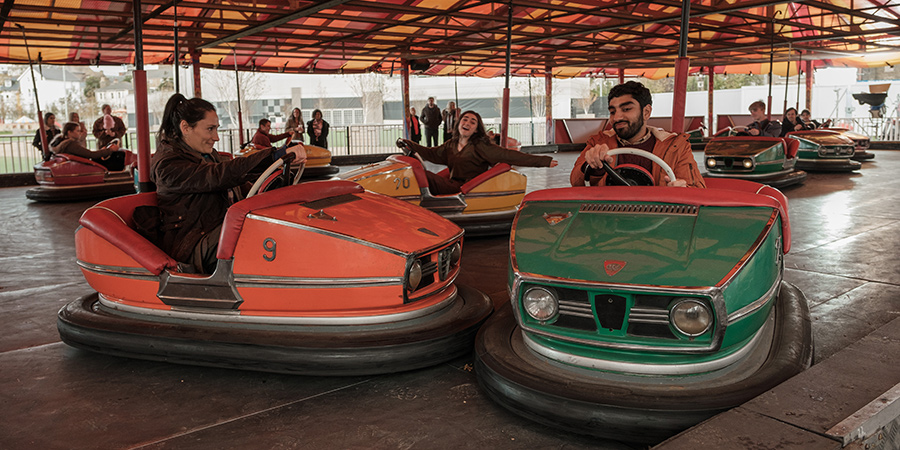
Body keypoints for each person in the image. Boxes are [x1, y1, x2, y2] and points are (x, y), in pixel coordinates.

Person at [150, 93, 306, 274]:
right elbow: (219, 175)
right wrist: (274, 156)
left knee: (281, 227)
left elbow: (237, 184)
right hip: (192, 242)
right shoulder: (168, 166)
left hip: (217, 228)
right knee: (263, 237)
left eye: (216, 129)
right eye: (210, 129)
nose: (216, 137)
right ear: (185, 127)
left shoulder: (207, 155)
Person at [570, 81, 705, 188]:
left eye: (626, 109)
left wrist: (682, 189)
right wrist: (592, 166)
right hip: (609, 214)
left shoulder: (676, 146)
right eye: (612, 112)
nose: (616, 118)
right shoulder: (599, 142)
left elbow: (697, 189)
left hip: (657, 216)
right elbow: (576, 182)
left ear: (646, 112)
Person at [398, 110, 558, 195]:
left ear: (476, 129)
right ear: (459, 123)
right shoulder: (451, 144)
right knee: (416, 171)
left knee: (420, 173)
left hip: (463, 188)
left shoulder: (481, 146)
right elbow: (431, 153)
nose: (467, 123)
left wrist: (543, 161)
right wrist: (409, 144)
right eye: (465, 119)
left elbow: (508, 155)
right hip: (451, 184)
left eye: (472, 122)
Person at [49, 121, 125, 171]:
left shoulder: (61, 143)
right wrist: (110, 150)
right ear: (70, 132)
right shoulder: (70, 144)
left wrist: (103, 151)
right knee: (116, 162)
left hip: (78, 165)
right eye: (77, 131)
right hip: (81, 167)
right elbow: (91, 155)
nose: (80, 133)